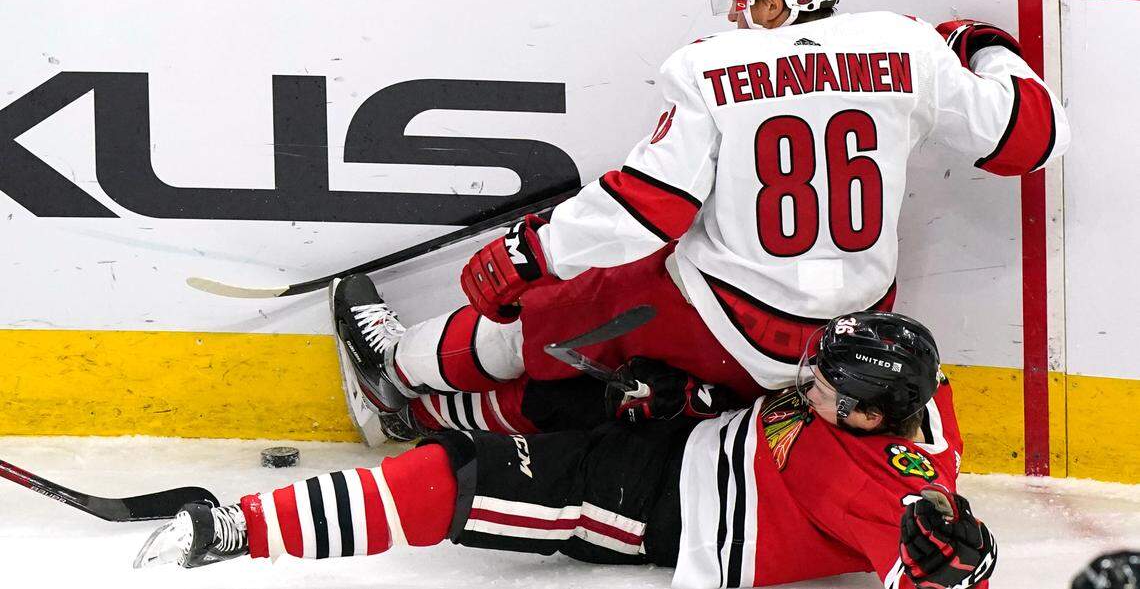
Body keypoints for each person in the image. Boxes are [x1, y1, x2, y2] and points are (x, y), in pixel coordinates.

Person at [332, 0, 1071, 443]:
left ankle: (392, 374)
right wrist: (979, 43)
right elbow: (1033, 138)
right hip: (851, 341)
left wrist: (531, 250)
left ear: (782, 0)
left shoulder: (711, 67)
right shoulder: (908, 47)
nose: (738, 10)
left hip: (733, 325)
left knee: (546, 316)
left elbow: (647, 210)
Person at [135, 311, 997, 589]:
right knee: (581, 385)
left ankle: (240, 529)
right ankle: (410, 405)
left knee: (463, 478)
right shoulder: (912, 390)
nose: (807, 384)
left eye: (822, 391)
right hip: (703, 439)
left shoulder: (884, 489)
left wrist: (959, 564)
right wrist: (697, 395)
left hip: (661, 508)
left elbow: (927, 558)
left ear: (866, 421)